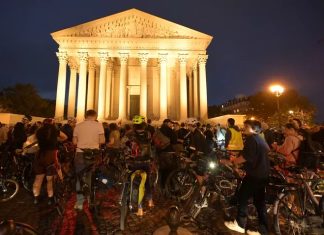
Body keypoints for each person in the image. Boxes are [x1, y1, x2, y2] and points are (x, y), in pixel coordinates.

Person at [223, 120, 270, 235]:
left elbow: (246, 157)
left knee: (242, 198)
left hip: (254, 175)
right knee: (260, 202)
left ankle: (240, 224)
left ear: (254, 129)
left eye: (246, 126)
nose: (243, 128)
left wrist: (232, 162)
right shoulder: (260, 139)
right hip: (263, 174)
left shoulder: (251, 139)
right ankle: (263, 229)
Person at [73, 110, 105, 209]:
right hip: (93, 154)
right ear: (95, 116)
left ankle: (79, 202)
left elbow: (74, 142)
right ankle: (90, 199)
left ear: (85, 116)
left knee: (79, 177)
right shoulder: (98, 125)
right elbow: (102, 140)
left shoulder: (78, 125)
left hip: (80, 153)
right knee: (90, 175)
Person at [33, 118, 67, 205]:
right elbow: (65, 137)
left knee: (38, 178)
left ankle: (36, 198)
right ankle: (50, 198)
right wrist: (57, 140)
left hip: (40, 155)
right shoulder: (55, 130)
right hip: (51, 155)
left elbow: (34, 140)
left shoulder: (39, 130)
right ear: (53, 123)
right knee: (50, 179)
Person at [127, 115, 154, 216]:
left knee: (135, 183)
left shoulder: (130, 134)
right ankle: (150, 201)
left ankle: (139, 207)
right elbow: (151, 144)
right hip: (146, 160)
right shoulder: (148, 133)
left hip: (135, 161)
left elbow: (123, 143)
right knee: (146, 182)